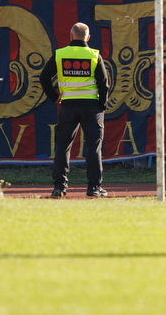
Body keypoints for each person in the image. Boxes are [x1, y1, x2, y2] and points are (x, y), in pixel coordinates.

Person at [39, 22, 112, 199]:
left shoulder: (60, 54)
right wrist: (102, 106)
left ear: (71, 36)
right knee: (93, 146)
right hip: (91, 107)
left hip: (68, 106)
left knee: (63, 146)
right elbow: (104, 84)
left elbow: (44, 77)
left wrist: (54, 97)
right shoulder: (94, 55)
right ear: (88, 37)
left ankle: (59, 187)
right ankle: (94, 187)